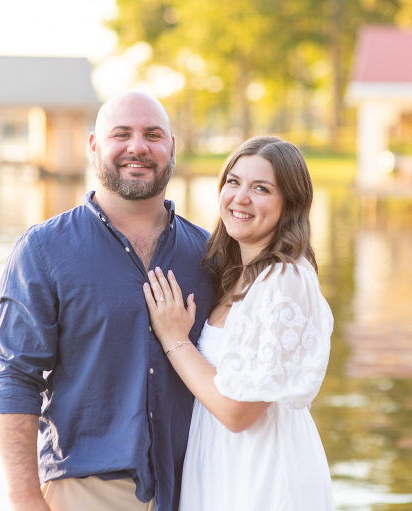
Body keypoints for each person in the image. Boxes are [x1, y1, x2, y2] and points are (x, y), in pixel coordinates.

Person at [0, 90, 216, 511]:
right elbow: (15, 380)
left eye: (153, 135)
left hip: (195, 490)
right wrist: (25, 500)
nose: (138, 147)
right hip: (87, 492)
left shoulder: (208, 255)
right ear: (94, 146)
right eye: (121, 134)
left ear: (171, 147)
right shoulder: (43, 251)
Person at [142, 136, 334, 510]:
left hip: (260, 473)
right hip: (224, 464)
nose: (240, 198)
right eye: (233, 181)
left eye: (261, 188)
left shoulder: (285, 280)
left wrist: (174, 338)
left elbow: (237, 411)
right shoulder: (239, 276)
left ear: (289, 204)